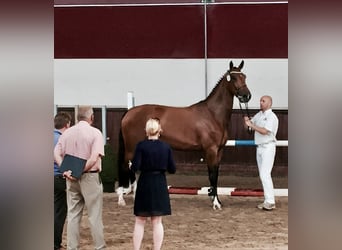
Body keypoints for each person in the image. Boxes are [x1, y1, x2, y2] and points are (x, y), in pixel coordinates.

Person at [54, 106, 106, 250]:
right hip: (89, 177)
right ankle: (99, 247)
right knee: (94, 215)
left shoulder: (66, 133)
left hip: (71, 179)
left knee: (73, 214)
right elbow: (94, 157)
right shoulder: (95, 133)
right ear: (92, 117)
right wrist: (80, 170)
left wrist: (65, 170)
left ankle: (72, 247)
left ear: (77, 117)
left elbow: (56, 153)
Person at [130, 118, 176, 250]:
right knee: (157, 221)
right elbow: (172, 169)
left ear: (146, 131)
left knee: (139, 221)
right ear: (159, 130)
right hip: (159, 183)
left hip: (145, 182)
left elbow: (135, 167)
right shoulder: (166, 147)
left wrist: (131, 165)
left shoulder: (140, 146)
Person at [244, 95, 279, 211]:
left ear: (269, 103)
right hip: (259, 147)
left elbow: (264, 131)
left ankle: (270, 201)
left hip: (268, 146)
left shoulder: (272, 117)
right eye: (260, 101)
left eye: (263, 101)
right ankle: (267, 200)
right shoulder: (259, 115)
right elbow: (249, 127)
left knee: (265, 174)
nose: (261, 103)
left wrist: (252, 125)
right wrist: (247, 122)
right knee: (263, 175)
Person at [54, 112, 72, 250]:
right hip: (57, 178)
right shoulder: (63, 140)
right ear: (67, 124)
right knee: (59, 212)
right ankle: (55, 244)